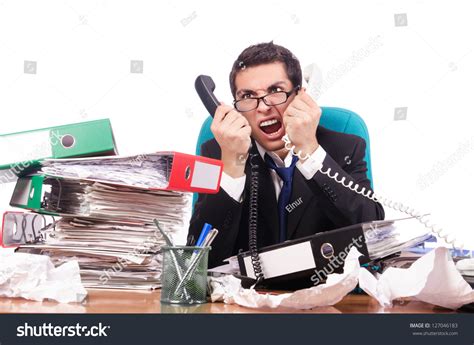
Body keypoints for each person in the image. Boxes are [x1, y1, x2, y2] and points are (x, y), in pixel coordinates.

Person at [189, 42, 384, 268]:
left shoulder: (346, 147)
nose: (263, 107)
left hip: (325, 299)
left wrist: (310, 151)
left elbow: (374, 239)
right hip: (244, 300)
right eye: (248, 96)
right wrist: (232, 166)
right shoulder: (213, 153)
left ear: (300, 97)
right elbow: (195, 261)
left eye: (275, 91)